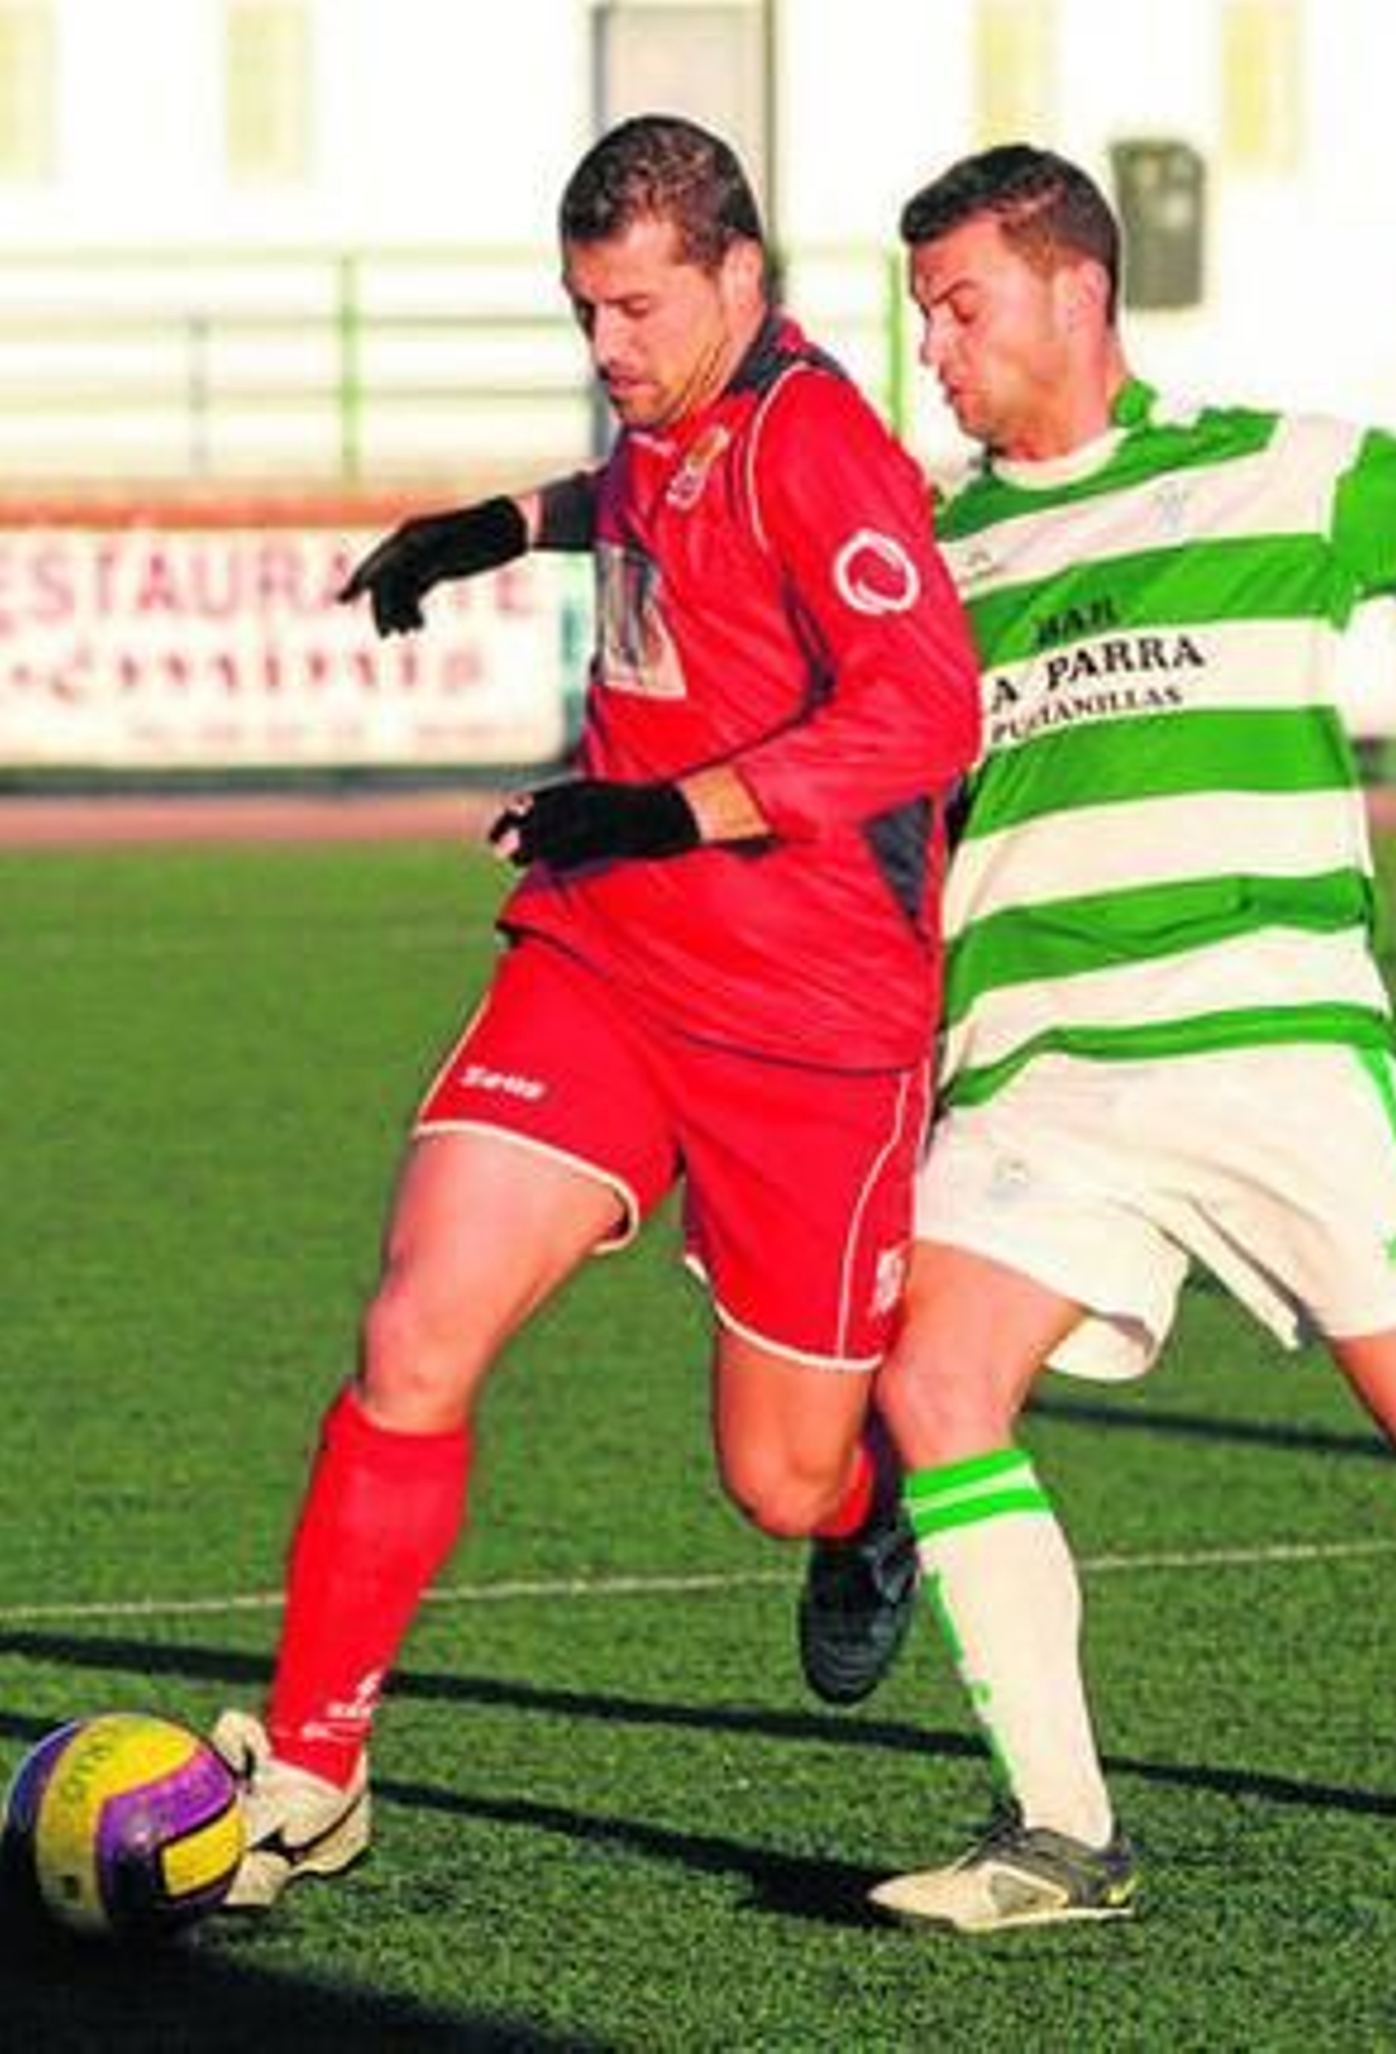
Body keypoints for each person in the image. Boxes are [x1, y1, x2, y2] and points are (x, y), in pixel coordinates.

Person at [819, 144, 1396, 1934]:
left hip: (1270, 1048)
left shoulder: (1278, 470)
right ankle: (1063, 1832)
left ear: (1076, 290)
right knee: (934, 1383)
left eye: (962, 303)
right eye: (920, 310)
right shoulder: (934, 556)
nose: (932, 345)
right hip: (1040, 1072)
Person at [212, 113, 980, 1910]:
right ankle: (315, 1771)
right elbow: (639, 503)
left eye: (638, 309)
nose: (609, 349)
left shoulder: (823, 447)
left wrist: (664, 804)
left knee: (780, 1477)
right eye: (584, 312)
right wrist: (495, 526)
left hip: (809, 1025)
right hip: (608, 962)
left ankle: (869, 1517)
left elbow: (925, 711)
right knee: (417, 1330)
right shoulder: (666, 415)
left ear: (740, 277)